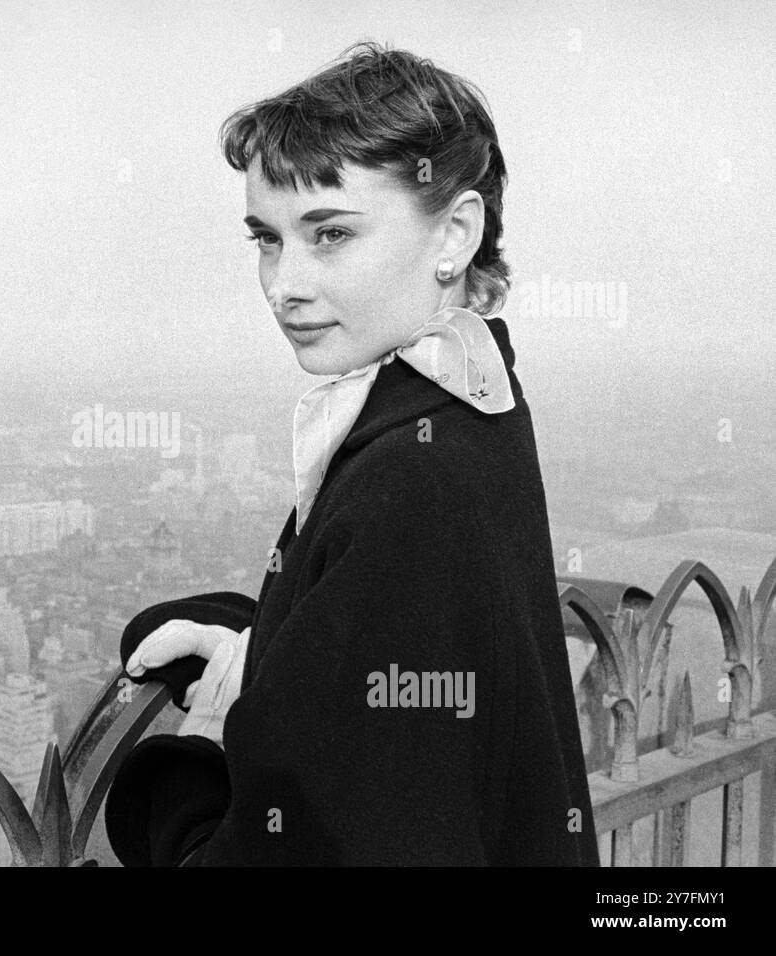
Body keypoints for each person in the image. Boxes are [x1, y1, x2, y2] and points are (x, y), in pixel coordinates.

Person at [104, 41, 600, 866]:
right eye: (267, 239)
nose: (282, 284)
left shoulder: (411, 477)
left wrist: (190, 765)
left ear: (456, 234)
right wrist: (269, 652)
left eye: (329, 234)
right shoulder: (467, 402)